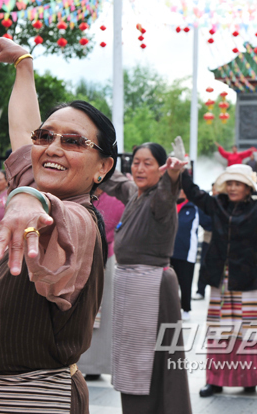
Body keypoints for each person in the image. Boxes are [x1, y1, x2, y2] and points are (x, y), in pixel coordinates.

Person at [0, 37, 117, 414]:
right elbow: (23, 131)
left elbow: (62, 216)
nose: (54, 148)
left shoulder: (83, 218)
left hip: (34, 401)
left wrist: (30, 198)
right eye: (46, 137)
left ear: (103, 167)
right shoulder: (37, 180)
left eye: (75, 142)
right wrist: (24, 64)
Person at [180, 161, 257, 397]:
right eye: (229, 183)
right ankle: (215, 381)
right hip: (220, 278)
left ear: (247, 188)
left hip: (247, 278)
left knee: (249, 331)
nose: (233, 188)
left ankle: (250, 378)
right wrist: (183, 169)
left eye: (238, 184)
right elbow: (193, 192)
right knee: (218, 332)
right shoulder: (216, 204)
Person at [99, 141, 192, 414]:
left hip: (152, 286)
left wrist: (173, 175)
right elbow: (114, 181)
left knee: (150, 362)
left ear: (161, 168)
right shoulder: (135, 193)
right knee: (133, 360)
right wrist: (93, 154)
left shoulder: (159, 200)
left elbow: (167, 193)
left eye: (147, 163)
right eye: (136, 162)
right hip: (132, 286)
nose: (139, 168)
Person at [79, 188, 125, 379]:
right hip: (80, 259)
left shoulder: (117, 203)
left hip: (105, 259)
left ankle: (96, 364)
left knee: (102, 312)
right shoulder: (77, 198)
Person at [170, 189, 201, 321]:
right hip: (168, 252)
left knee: (185, 283)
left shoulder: (193, 208)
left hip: (187, 253)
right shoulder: (169, 206)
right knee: (170, 283)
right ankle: (171, 308)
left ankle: (186, 309)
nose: (180, 192)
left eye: (182, 190)